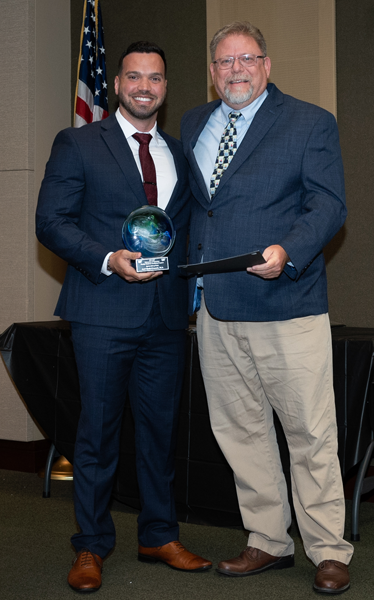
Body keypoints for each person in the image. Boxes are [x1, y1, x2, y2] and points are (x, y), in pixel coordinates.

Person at [180, 21, 354, 594]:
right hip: (216, 312)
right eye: (224, 62)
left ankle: (329, 548)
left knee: (309, 433)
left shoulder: (309, 122)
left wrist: (290, 251)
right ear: (212, 72)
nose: (236, 70)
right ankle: (267, 541)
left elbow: (327, 205)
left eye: (246, 59)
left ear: (266, 64)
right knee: (240, 433)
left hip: (287, 305)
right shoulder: (192, 124)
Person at [36, 41, 211, 594]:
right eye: (134, 76)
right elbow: (52, 222)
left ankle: (159, 534)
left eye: (155, 78)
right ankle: (90, 545)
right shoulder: (78, 142)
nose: (144, 86)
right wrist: (107, 258)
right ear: (116, 83)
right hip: (103, 311)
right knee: (98, 434)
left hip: (164, 315)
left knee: (160, 434)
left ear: (165, 86)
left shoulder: (182, 153)